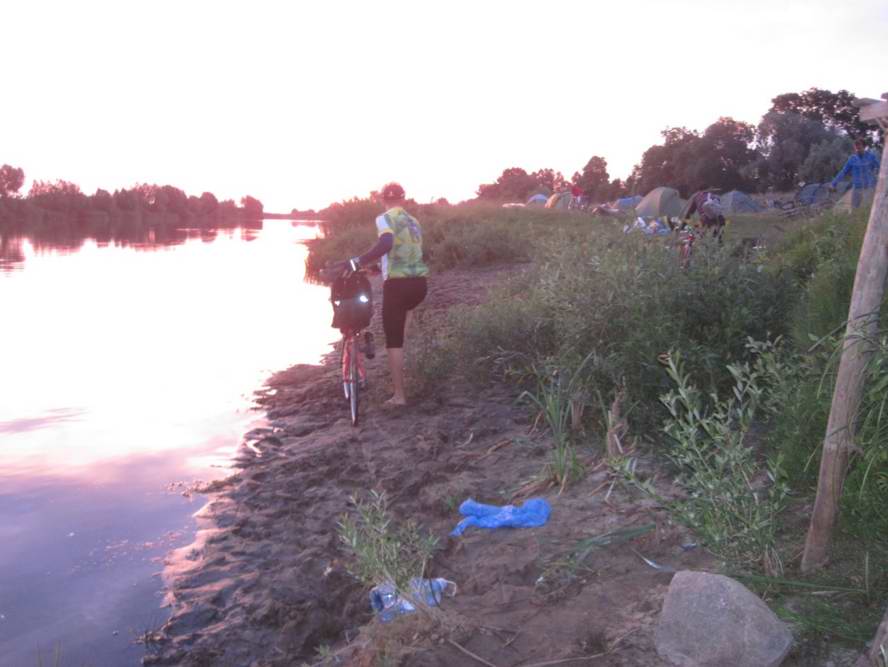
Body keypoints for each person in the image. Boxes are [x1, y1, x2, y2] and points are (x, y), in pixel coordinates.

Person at [346, 182, 428, 406]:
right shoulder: (414, 221)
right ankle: (404, 374)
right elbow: (407, 251)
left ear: (383, 199)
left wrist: (359, 260)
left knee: (394, 341)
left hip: (398, 286)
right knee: (402, 332)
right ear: (403, 198)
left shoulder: (384, 218)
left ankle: (399, 395)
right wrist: (378, 268)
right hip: (419, 285)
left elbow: (387, 243)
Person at [829, 139, 880, 208]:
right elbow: (843, 172)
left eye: (859, 148)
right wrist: (833, 183)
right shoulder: (852, 159)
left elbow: (880, 168)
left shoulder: (871, 157)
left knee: (868, 208)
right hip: (856, 188)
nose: (857, 150)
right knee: (854, 209)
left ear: (864, 147)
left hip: (869, 188)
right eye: (856, 148)